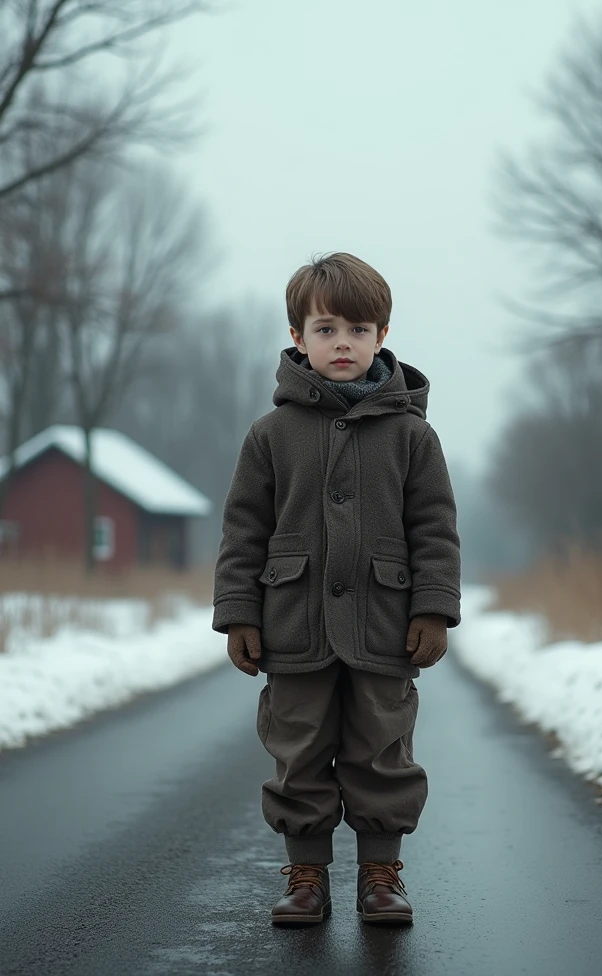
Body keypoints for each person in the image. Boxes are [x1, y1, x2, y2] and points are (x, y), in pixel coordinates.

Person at [212, 251, 461, 925]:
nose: (341, 342)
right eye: (325, 329)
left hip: (385, 623)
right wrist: (239, 613)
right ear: (297, 338)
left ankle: (381, 874)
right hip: (294, 622)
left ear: (381, 336)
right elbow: (244, 529)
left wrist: (434, 608)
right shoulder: (270, 435)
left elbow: (435, 527)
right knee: (297, 751)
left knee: (382, 748)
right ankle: (306, 876)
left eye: (357, 329)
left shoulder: (412, 436)